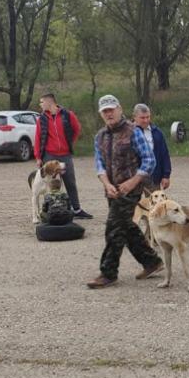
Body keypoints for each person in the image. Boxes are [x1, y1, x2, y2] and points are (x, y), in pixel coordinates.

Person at [86, 95, 163, 289]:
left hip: (131, 189)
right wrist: (106, 184)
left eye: (111, 109)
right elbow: (99, 165)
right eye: (105, 111)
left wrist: (133, 181)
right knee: (126, 227)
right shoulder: (100, 136)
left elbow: (149, 160)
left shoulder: (133, 131)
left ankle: (108, 273)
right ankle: (152, 262)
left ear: (120, 109)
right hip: (112, 191)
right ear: (101, 114)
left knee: (113, 229)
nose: (109, 113)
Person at [34, 92, 92, 219]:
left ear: (50, 102)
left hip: (65, 154)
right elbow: (38, 138)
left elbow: (76, 129)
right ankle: (48, 210)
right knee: (49, 183)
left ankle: (76, 210)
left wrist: (69, 142)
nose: (40, 105)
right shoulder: (41, 119)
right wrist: (38, 157)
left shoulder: (67, 114)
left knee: (70, 181)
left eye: (42, 102)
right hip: (49, 155)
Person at [131, 103, 172, 191]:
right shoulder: (127, 132)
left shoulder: (157, 133)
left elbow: (164, 154)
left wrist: (166, 175)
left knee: (155, 204)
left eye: (148, 117)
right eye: (142, 118)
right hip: (133, 178)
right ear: (134, 117)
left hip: (153, 178)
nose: (146, 120)